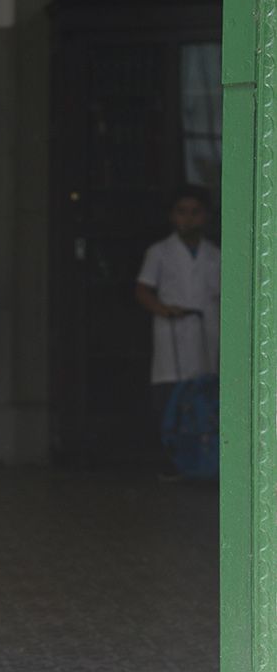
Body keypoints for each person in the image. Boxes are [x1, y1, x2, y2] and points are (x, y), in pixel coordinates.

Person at [134, 185, 220, 481]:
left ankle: (204, 461)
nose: (188, 219)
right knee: (171, 399)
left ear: (205, 217)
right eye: (182, 212)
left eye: (195, 213)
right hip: (173, 330)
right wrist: (164, 309)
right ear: (172, 216)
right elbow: (143, 290)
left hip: (206, 331)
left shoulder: (215, 255)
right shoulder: (159, 252)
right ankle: (175, 461)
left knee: (205, 397)